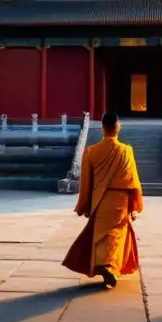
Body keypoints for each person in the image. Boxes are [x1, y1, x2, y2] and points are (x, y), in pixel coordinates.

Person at [61, 111, 143, 288]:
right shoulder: (126, 151)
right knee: (116, 234)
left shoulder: (91, 152)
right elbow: (133, 180)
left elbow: (86, 183)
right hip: (120, 200)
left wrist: (84, 206)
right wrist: (134, 205)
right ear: (118, 127)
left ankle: (103, 264)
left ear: (102, 129)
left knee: (101, 234)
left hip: (101, 200)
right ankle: (109, 266)